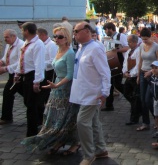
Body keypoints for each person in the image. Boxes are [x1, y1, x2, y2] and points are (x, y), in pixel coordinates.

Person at [21, 26, 80, 154]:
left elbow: (70, 75)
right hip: (56, 88)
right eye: (55, 36)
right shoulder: (58, 51)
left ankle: (75, 143)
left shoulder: (70, 53)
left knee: (66, 117)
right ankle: (58, 140)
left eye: (60, 37)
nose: (56, 39)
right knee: (54, 116)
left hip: (65, 89)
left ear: (66, 39)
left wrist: (57, 85)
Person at [69, 22, 111, 165]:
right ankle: (100, 150)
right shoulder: (81, 47)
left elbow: (105, 72)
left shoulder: (95, 48)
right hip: (83, 91)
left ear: (86, 31)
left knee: (82, 121)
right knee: (93, 122)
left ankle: (89, 154)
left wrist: (105, 92)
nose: (74, 34)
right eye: (73, 32)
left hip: (93, 93)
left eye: (76, 31)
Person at [12, 22, 46, 136]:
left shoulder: (38, 44)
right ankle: (40, 121)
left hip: (32, 76)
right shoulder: (27, 43)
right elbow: (21, 60)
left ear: (26, 31)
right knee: (29, 103)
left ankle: (32, 132)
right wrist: (17, 73)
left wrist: (37, 82)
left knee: (31, 105)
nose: (21, 32)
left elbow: (39, 64)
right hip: (25, 76)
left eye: (22, 30)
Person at [136, 27, 158, 131]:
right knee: (143, 99)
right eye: (143, 39)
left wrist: (151, 72)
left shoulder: (156, 47)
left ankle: (157, 118)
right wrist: (138, 75)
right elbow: (140, 61)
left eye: (146, 39)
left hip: (152, 74)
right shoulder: (141, 46)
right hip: (143, 73)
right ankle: (145, 123)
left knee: (148, 100)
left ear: (151, 36)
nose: (144, 41)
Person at [102, 22, 129, 111]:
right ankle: (109, 105)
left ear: (110, 29)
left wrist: (117, 50)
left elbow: (127, 47)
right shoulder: (107, 38)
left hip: (118, 61)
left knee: (117, 83)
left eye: (106, 30)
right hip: (110, 61)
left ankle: (131, 98)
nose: (105, 32)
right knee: (109, 84)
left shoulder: (121, 36)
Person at [0, 29, 24, 125]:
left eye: (7, 37)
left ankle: (6, 117)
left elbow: (20, 63)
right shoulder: (9, 45)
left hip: (19, 74)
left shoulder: (21, 45)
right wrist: (1, 62)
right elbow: (5, 57)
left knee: (8, 92)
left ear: (13, 36)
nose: (5, 39)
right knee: (9, 93)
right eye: (4, 37)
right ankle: (6, 117)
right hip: (12, 73)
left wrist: (5, 68)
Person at [36, 27, 58, 118]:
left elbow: (53, 61)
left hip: (49, 73)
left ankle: (45, 114)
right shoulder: (41, 44)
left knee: (45, 95)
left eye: (37, 36)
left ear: (42, 35)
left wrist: (41, 64)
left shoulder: (51, 45)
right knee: (42, 95)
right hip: (43, 72)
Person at [123, 34, 142, 125]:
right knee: (126, 93)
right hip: (129, 76)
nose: (128, 43)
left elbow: (138, 64)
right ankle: (137, 108)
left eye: (129, 42)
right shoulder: (129, 51)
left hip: (134, 77)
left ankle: (134, 117)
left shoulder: (138, 51)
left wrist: (133, 74)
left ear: (135, 42)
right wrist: (125, 71)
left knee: (135, 97)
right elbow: (125, 63)